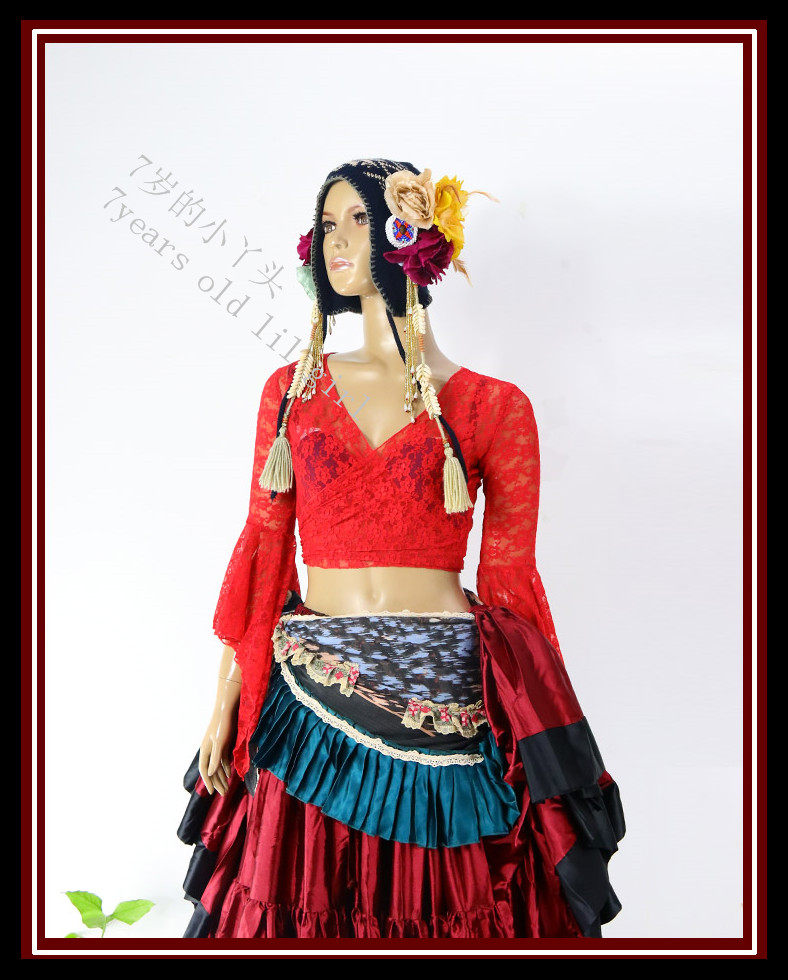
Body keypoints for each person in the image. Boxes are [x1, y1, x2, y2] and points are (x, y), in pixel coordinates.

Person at [177, 158, 624, 939]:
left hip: (450, 702)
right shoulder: (290, 392)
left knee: (458, 905)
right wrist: (225, 703)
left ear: (410, 235)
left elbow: (511, 580)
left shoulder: (494, 407)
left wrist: (544, 737)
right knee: (300, 903)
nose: (336, 241)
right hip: (307, 696)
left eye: (358, 219)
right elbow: (265, 551)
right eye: (327, 224)